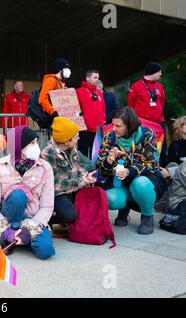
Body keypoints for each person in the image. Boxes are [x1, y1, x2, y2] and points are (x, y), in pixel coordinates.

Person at [0, 126, 56, 259]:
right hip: (8, 217)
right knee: (18, 195)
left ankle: (21, 238)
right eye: (32, 143)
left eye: (36, 142)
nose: (37, 146)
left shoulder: (45, 167)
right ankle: (11, 234)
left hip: (33, 219)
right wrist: (6, 231)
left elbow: (47, 206)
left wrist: (29, 230)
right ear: (19, 146)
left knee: (46, 250)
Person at [96, 107, 167, 235]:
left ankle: (147, 217)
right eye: (113, 125)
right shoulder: (109, 138)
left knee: (140, 184)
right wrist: (109, 159)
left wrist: (129, 171)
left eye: (118, 126)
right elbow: (101, 171)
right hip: (120, 182)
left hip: (146, 180)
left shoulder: (147, 134)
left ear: (129, 126)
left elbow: (151, 164)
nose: (114, 129)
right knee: (110, 199)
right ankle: (124, 208)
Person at [41, 117, 97, 226]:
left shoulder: (72, 148)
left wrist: (86, 175)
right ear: (67, 141)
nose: (79, 138)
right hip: (55, 193)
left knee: (88, 207)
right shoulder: (48, 153)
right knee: (69, 215)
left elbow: (78, 167)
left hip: (71, 187)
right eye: (76, 137)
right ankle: (46, 220)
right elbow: (55, 184)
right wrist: (81, 182)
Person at [128, 62, 167, 166]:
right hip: (144, 124)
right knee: (144, 147)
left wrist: (157, 113)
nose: (160, 74)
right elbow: (130, 105)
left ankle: (164, 168)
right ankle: (144, 166)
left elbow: (162, 101)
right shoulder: (136, 86)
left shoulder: (159, 86)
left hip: (159, 122)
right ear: (153, 72)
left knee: (162, 147)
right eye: (159, 72)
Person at [76, 70, 106, 158]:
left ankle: (95, 172)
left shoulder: (99, 92)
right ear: (87, 78)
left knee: (96, 155)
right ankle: (84, 172)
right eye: (95, 77)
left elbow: (103, 108)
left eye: (98, 78)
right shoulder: (79, 91)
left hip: (98, 130)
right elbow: (75, 109)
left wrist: (103, 118)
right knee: (83, 155)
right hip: (84, 129)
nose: (97, 80)